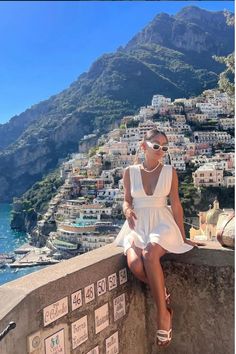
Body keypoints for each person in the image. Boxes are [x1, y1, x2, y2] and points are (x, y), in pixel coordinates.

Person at [114, 128, 199, 347]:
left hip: (162, 222)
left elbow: (176, 204)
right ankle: (163, 292)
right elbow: (126, 200)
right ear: (144, 146)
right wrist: (126, 211)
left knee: (149, 254)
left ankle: (163, 314)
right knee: (134, 264)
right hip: (137, 223)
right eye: (156, 146)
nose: (161, 150)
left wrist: (182, 236)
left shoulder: (170, 172)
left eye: (165, 147)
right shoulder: (129, 172)